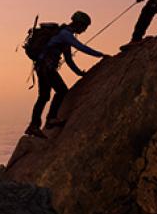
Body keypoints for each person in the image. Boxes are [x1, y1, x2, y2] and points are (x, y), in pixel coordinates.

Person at [25, 11, 106, 139]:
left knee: (44, 96)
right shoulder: (65, 35)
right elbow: (81, 47)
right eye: (84, 27)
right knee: (61, 91)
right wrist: (101, 54)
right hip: (47, 68)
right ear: (79, 24)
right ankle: (50, 119)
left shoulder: (63, 36)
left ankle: (34, 125)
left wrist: (79, 72)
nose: (84, 30)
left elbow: (68, 60)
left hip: (42, 68)